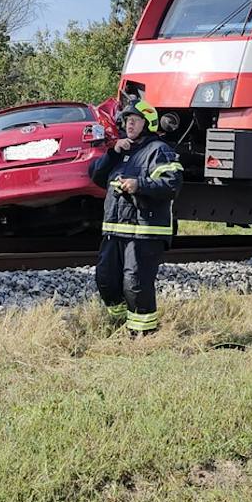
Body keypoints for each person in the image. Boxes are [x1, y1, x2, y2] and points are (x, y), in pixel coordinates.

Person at [88, 96, 183, 336]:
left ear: (148, 123)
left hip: (145, 232)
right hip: (115, 230)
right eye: (127, 120)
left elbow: (172, 183)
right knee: (106, 280)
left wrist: (138, 184)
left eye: (136, 120)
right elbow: (95, 177)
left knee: (135, 285)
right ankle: (121, 326)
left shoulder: (159, 150)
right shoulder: (121, 151)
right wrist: (112, 153)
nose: (130, 125)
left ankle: (143, 335)